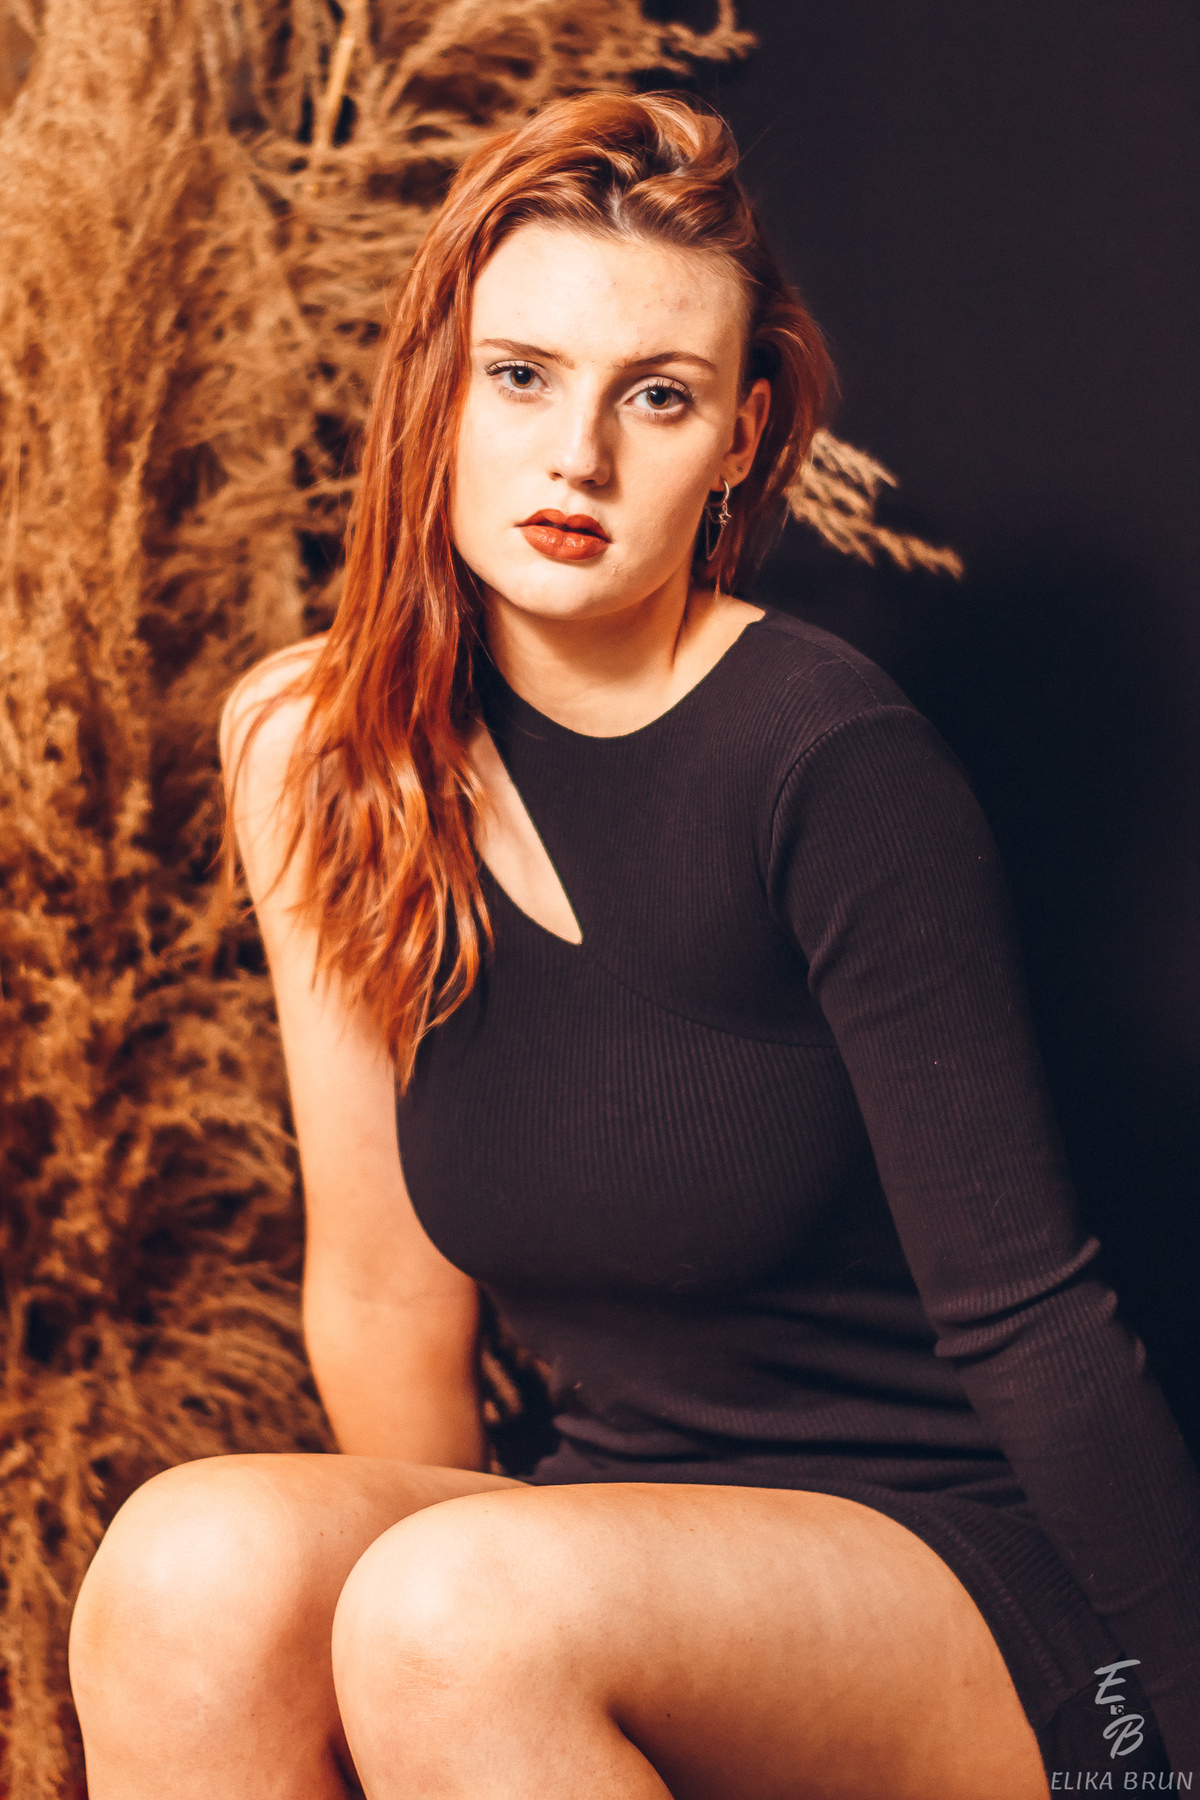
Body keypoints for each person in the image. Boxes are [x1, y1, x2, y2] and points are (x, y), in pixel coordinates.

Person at [68, 91, 1200, 1798]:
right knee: (188, 1572)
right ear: (440, 385)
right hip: (599, 1540)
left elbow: (1033, 1320)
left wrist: (1170, 1730)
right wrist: (423, 1672)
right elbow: (383, 1290)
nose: (577, 458)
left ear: (741, 438)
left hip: (955, 1563)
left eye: (655, 396)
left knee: (459, 1610)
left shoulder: (828, 755)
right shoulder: (312, 746)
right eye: (522, 375)